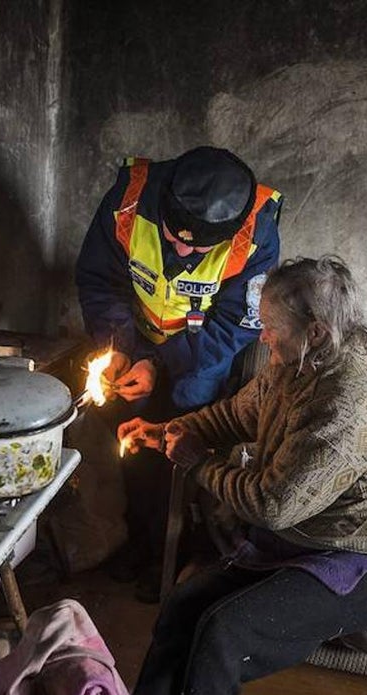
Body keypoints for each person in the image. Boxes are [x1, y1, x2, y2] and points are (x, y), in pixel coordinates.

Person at [117, 256, 367, 695]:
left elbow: (273, 505)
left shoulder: (347, 403)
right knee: (183, 604)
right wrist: (170, 431)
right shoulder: (291, 367)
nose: (263, 337)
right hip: (302, 542)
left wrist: (194, 463)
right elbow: (234, 415)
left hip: (363, 560)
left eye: (272, 327)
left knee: (224, 628)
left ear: (317, 332)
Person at [75, 146, 282, 601]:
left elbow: (234, 325)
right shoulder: (128, 200)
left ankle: (171, 548)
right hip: (134, 338)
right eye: (174, 235)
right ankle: (137, 539)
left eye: (198, 245)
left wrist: (162, 364)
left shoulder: (256, 236)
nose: (183, 249)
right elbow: (100, 281)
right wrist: (123, 350)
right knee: (126, 436)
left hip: (199, 355)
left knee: (177, 438)